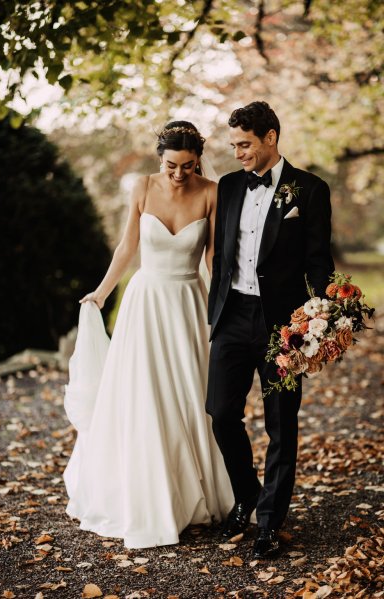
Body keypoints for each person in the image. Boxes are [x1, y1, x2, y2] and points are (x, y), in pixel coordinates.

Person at [63, 121, 233, 549]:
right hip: (145, 303)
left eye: (188, 166)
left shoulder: (211, 192)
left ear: (198, 161)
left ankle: (196, 491)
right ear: (160, 158)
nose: (179, 174)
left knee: (190, 393)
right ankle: (150, 493)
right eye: (172, 165)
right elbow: (127, 247)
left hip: (187, 303)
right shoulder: (141, 187)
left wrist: (222, 311)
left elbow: (213, 258)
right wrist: (101, 294)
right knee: (146, 393)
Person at [207, 101, 334, 558]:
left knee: (282, 423)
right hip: (232, 316)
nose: (238, 153)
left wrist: (322, 316)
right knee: (221, 414)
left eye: (244, 144)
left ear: (270, 138)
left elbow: (319, 261)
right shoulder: (227, 187)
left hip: (283, 325)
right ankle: (247, 494)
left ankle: (269, 521)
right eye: (233, 145)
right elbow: (221, 254)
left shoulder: (311, 190)